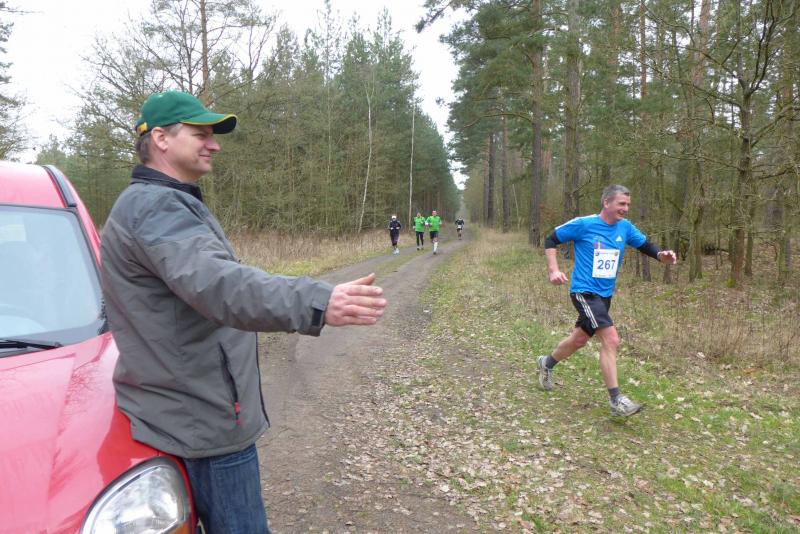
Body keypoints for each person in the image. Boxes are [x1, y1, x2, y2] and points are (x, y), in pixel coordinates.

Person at [100, 90, 387, 533]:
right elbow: (220, 284)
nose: (214, 145)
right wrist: (316, 300)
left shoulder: (162, 203)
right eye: (201, 134)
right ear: (161, 138)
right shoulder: (157, 207)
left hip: (187, 407)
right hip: (203, 417)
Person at [538, 184, 676, 417]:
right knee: (611, 339)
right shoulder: (584, 224)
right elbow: (551, 239)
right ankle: (616, 400)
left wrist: (661, 256)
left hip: (604, 296)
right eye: (621, 204)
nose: (626, 209)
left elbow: (645, 246)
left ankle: (546, 363)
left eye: (628, 205)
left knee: (579, 339)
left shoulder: (625, 227)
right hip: (584, 292)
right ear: (606, 203)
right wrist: (553, 270)